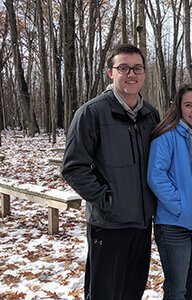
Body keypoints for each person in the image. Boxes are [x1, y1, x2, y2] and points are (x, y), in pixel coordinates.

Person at [62, 44, 160, 300]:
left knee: (132, 291)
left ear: (144, 73)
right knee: (104, 294)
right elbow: (73, 167)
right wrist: (106, 199)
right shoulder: (92, 113)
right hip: (109, 223)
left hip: (141, 223)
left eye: (137, 68)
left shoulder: (151, 114)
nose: (131, 74)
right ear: (110, 72)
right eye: (123, 68)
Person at [147, 83, 192, 299]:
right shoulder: (166, 137)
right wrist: (181, 206)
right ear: (179, 107)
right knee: (177, 289)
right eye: (188, 105)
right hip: (173, 225)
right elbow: (156, 177)